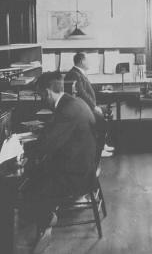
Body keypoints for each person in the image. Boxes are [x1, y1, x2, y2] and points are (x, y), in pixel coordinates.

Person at [24, 72, 98, 252]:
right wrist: (47, 128)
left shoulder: (66, 110)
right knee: (36, 174)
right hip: (85, 165)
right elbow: (60, 132)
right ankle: (46, 216)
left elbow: (46, 146)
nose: (42, 99)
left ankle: (44, 226)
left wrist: (24, 151)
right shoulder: (75, 102)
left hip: (76, 175)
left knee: (28, 183)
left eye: (41, 95)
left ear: (48, 93)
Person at [64, 52, 114, 157]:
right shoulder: (74, 74)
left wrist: (103, 88)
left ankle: (102, 144)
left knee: (106, 112)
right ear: (82, 61)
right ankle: (99, 150)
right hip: (83, 109)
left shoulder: (78, 72)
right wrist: (94, 107)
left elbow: (87, 89)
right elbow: (82, 93)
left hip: (86, 106)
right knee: (100, 119)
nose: (90, 63)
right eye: (88, 60)